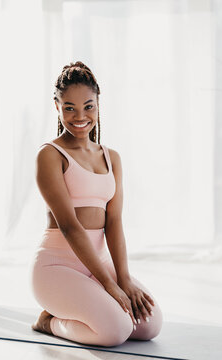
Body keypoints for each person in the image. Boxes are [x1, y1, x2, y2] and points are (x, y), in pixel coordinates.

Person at [30, 61, 163, 347]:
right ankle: (49, 321)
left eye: (88, 106)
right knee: (114, 331)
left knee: (149, 325)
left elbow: (114, 223)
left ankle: (94, 301)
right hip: (57, 267)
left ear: (98, 104)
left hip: (96, 265)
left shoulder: (111, 157)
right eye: (69, 108)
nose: (80, 116)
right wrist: (110, 285)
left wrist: (124, 279)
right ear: (57, 106)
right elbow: (69, 226)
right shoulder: (50, 155)